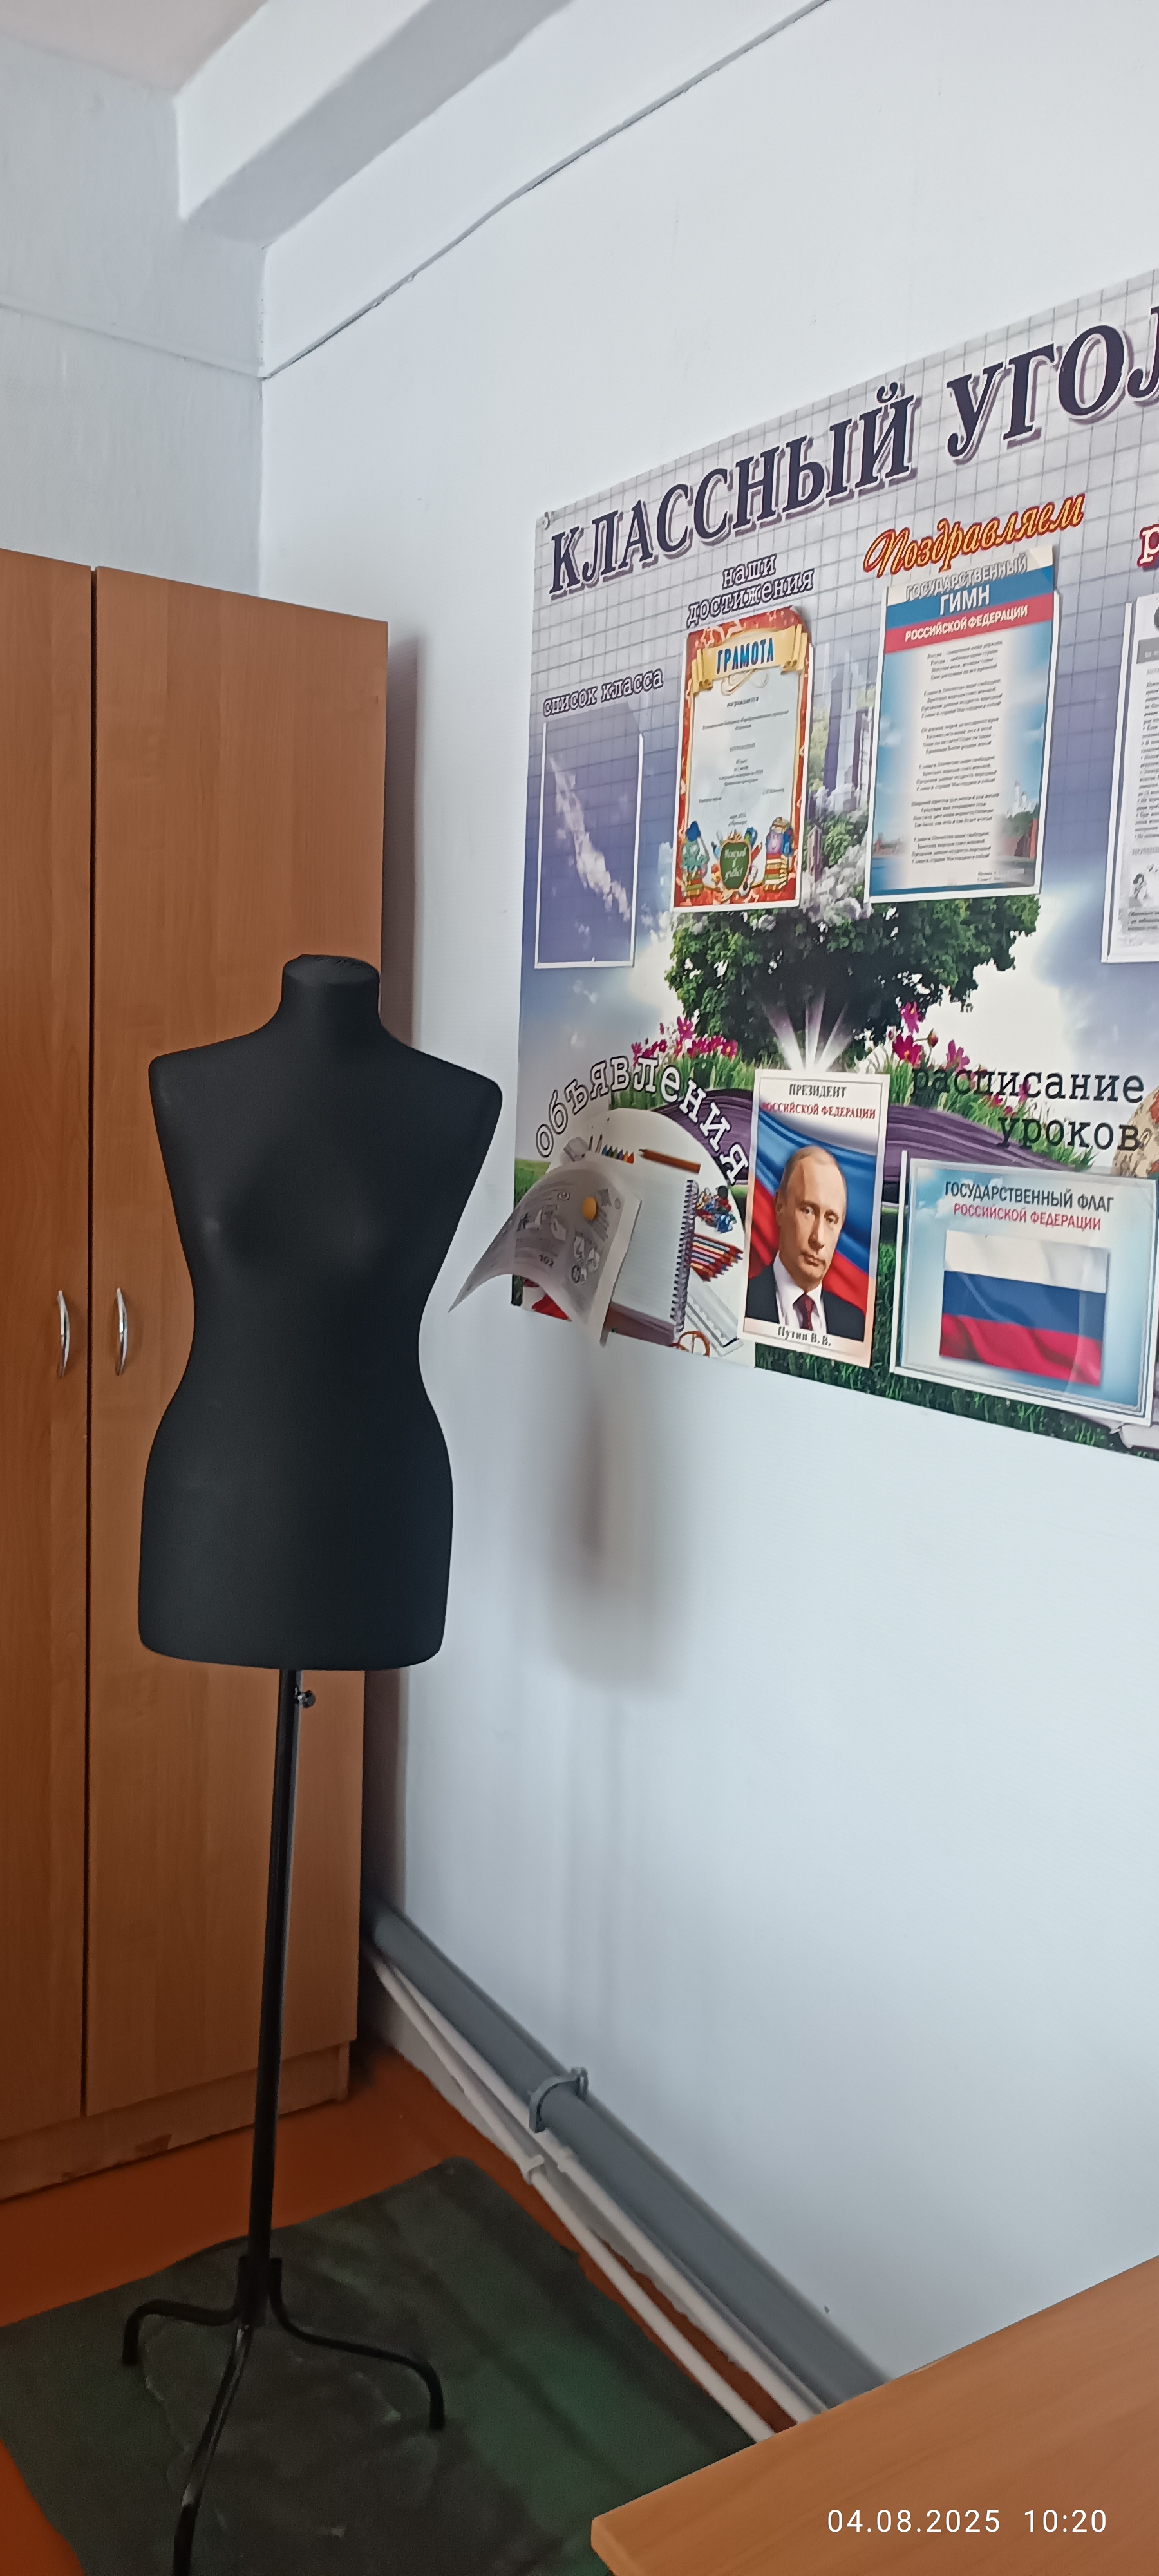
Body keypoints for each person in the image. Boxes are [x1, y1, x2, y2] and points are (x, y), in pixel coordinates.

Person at [746, 1142, 865, 1340]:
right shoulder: (744, 1302)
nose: (818, 1238)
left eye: (831, 1220)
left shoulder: (854, 1325)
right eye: (808, 1211)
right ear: (780, 1206)